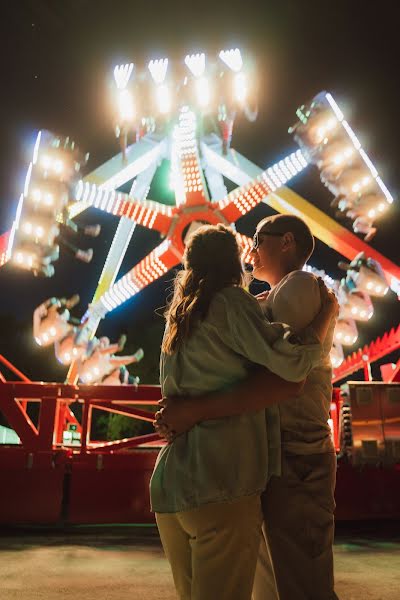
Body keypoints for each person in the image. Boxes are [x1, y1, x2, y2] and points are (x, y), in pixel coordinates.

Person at [155, 215, 339, 600]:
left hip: (181, 480)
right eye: (245, 245)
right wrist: (326, 317)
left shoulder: (185, 312)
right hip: (229, 475)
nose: (251, 250)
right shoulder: (238, 304)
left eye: (257, 239)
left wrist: (191, 411)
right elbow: (291, 369)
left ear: (286, 242)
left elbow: (286, 377)